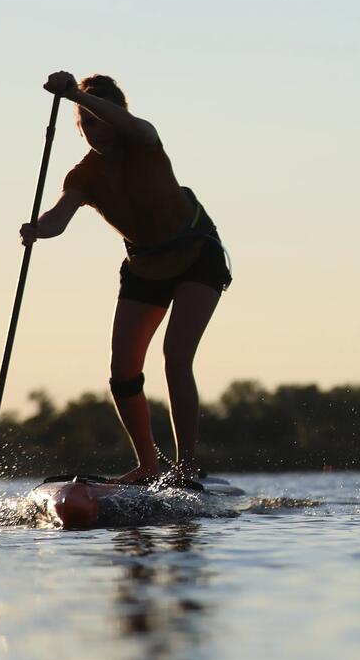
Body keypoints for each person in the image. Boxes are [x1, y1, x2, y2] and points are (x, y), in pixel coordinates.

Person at [20, 72, 231, 485]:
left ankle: (186, 468)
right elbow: (58, 217)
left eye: (98, 120)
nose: (93, 131)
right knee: (123, 372)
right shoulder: (83, 176)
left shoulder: (144, 139)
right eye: (84, 125)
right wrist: (37, 230)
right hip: (144, 266)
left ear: (117, 115)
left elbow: (128, 124)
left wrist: (75, 96)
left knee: (176, 356)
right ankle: (149, 465)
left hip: (196, 256)